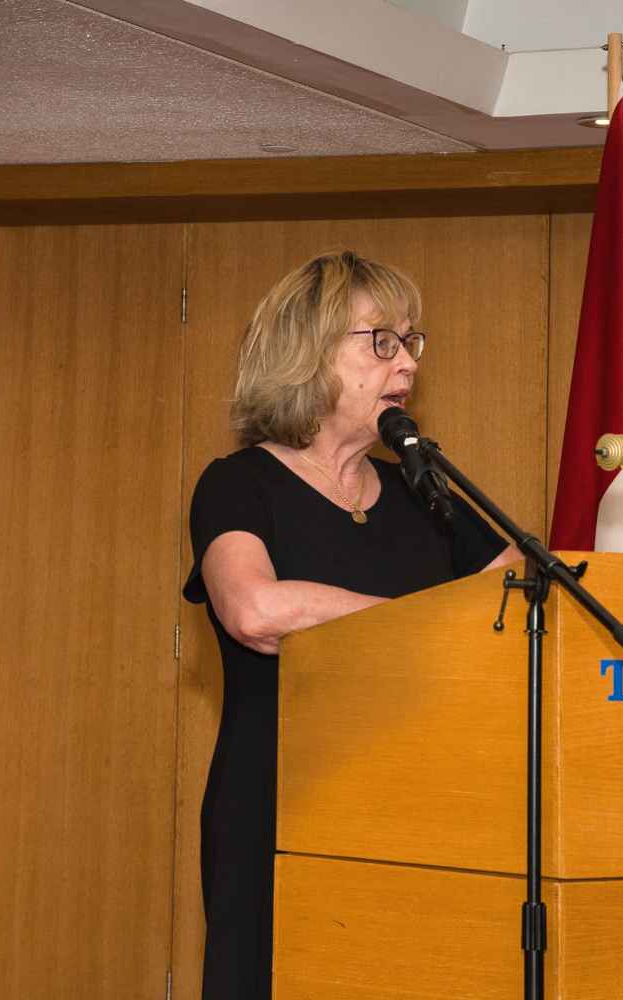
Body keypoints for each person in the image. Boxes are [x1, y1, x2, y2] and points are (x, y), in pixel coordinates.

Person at [183, 250, 518, 1000]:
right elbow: (256, 610)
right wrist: (421, 624)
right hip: (280, 809)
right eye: (382, 341)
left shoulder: (424, 494)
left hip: (420, 814)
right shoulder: (239, 484)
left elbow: (525, 610)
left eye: (412, 341)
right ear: (307, 351)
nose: (408, 363)